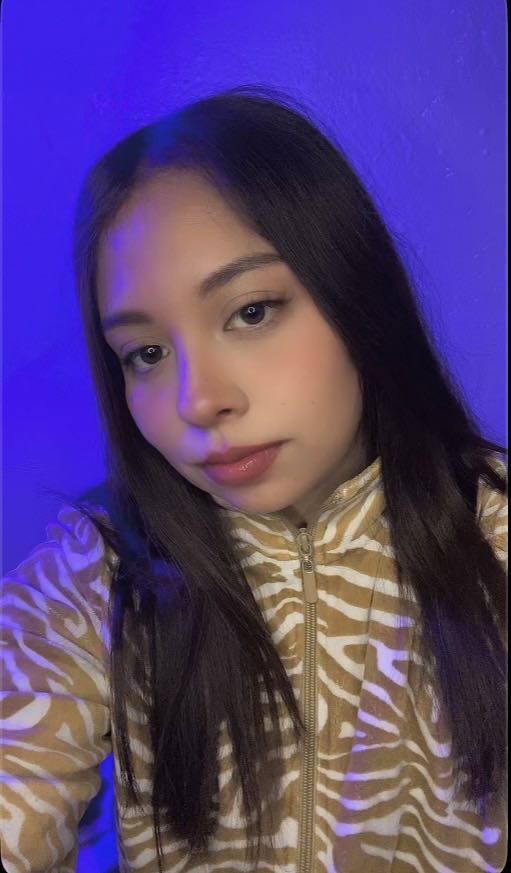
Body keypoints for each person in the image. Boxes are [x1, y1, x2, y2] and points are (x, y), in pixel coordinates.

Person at [0, 85, 507, 873]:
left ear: (354, 295)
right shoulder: (98, 572)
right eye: (145, 353)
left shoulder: (494, 534)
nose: (197, 401)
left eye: (251, 311)